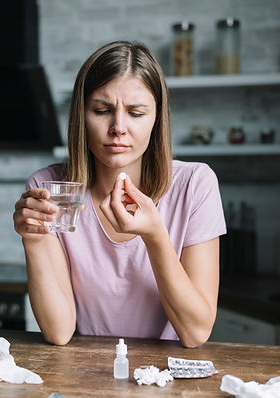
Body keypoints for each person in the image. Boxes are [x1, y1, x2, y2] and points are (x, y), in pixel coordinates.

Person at [13, 41, 226, 348]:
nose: (118, 127)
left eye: (136, 113)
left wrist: (155, 236)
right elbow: (59, 332)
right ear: (81, 115)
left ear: (156, 118)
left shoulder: (194, 185)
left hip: (167, 381)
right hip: (85, 379)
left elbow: (195, 333)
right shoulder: (51, 188)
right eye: (102, 110)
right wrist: (33, 241)